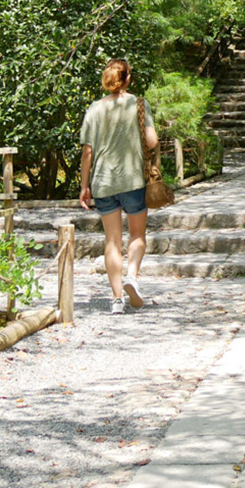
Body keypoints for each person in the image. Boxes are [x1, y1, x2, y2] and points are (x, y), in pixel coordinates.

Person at [79, 58, 158, 314]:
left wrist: (84, 186)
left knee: (112, 240)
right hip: (133, 179)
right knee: (137, 235)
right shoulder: (139, 104)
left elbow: (87, 152)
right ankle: (131, 278)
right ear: (127, 79)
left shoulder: (94, 109)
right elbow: (153, 142)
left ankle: (116, 300)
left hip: (103, 182)